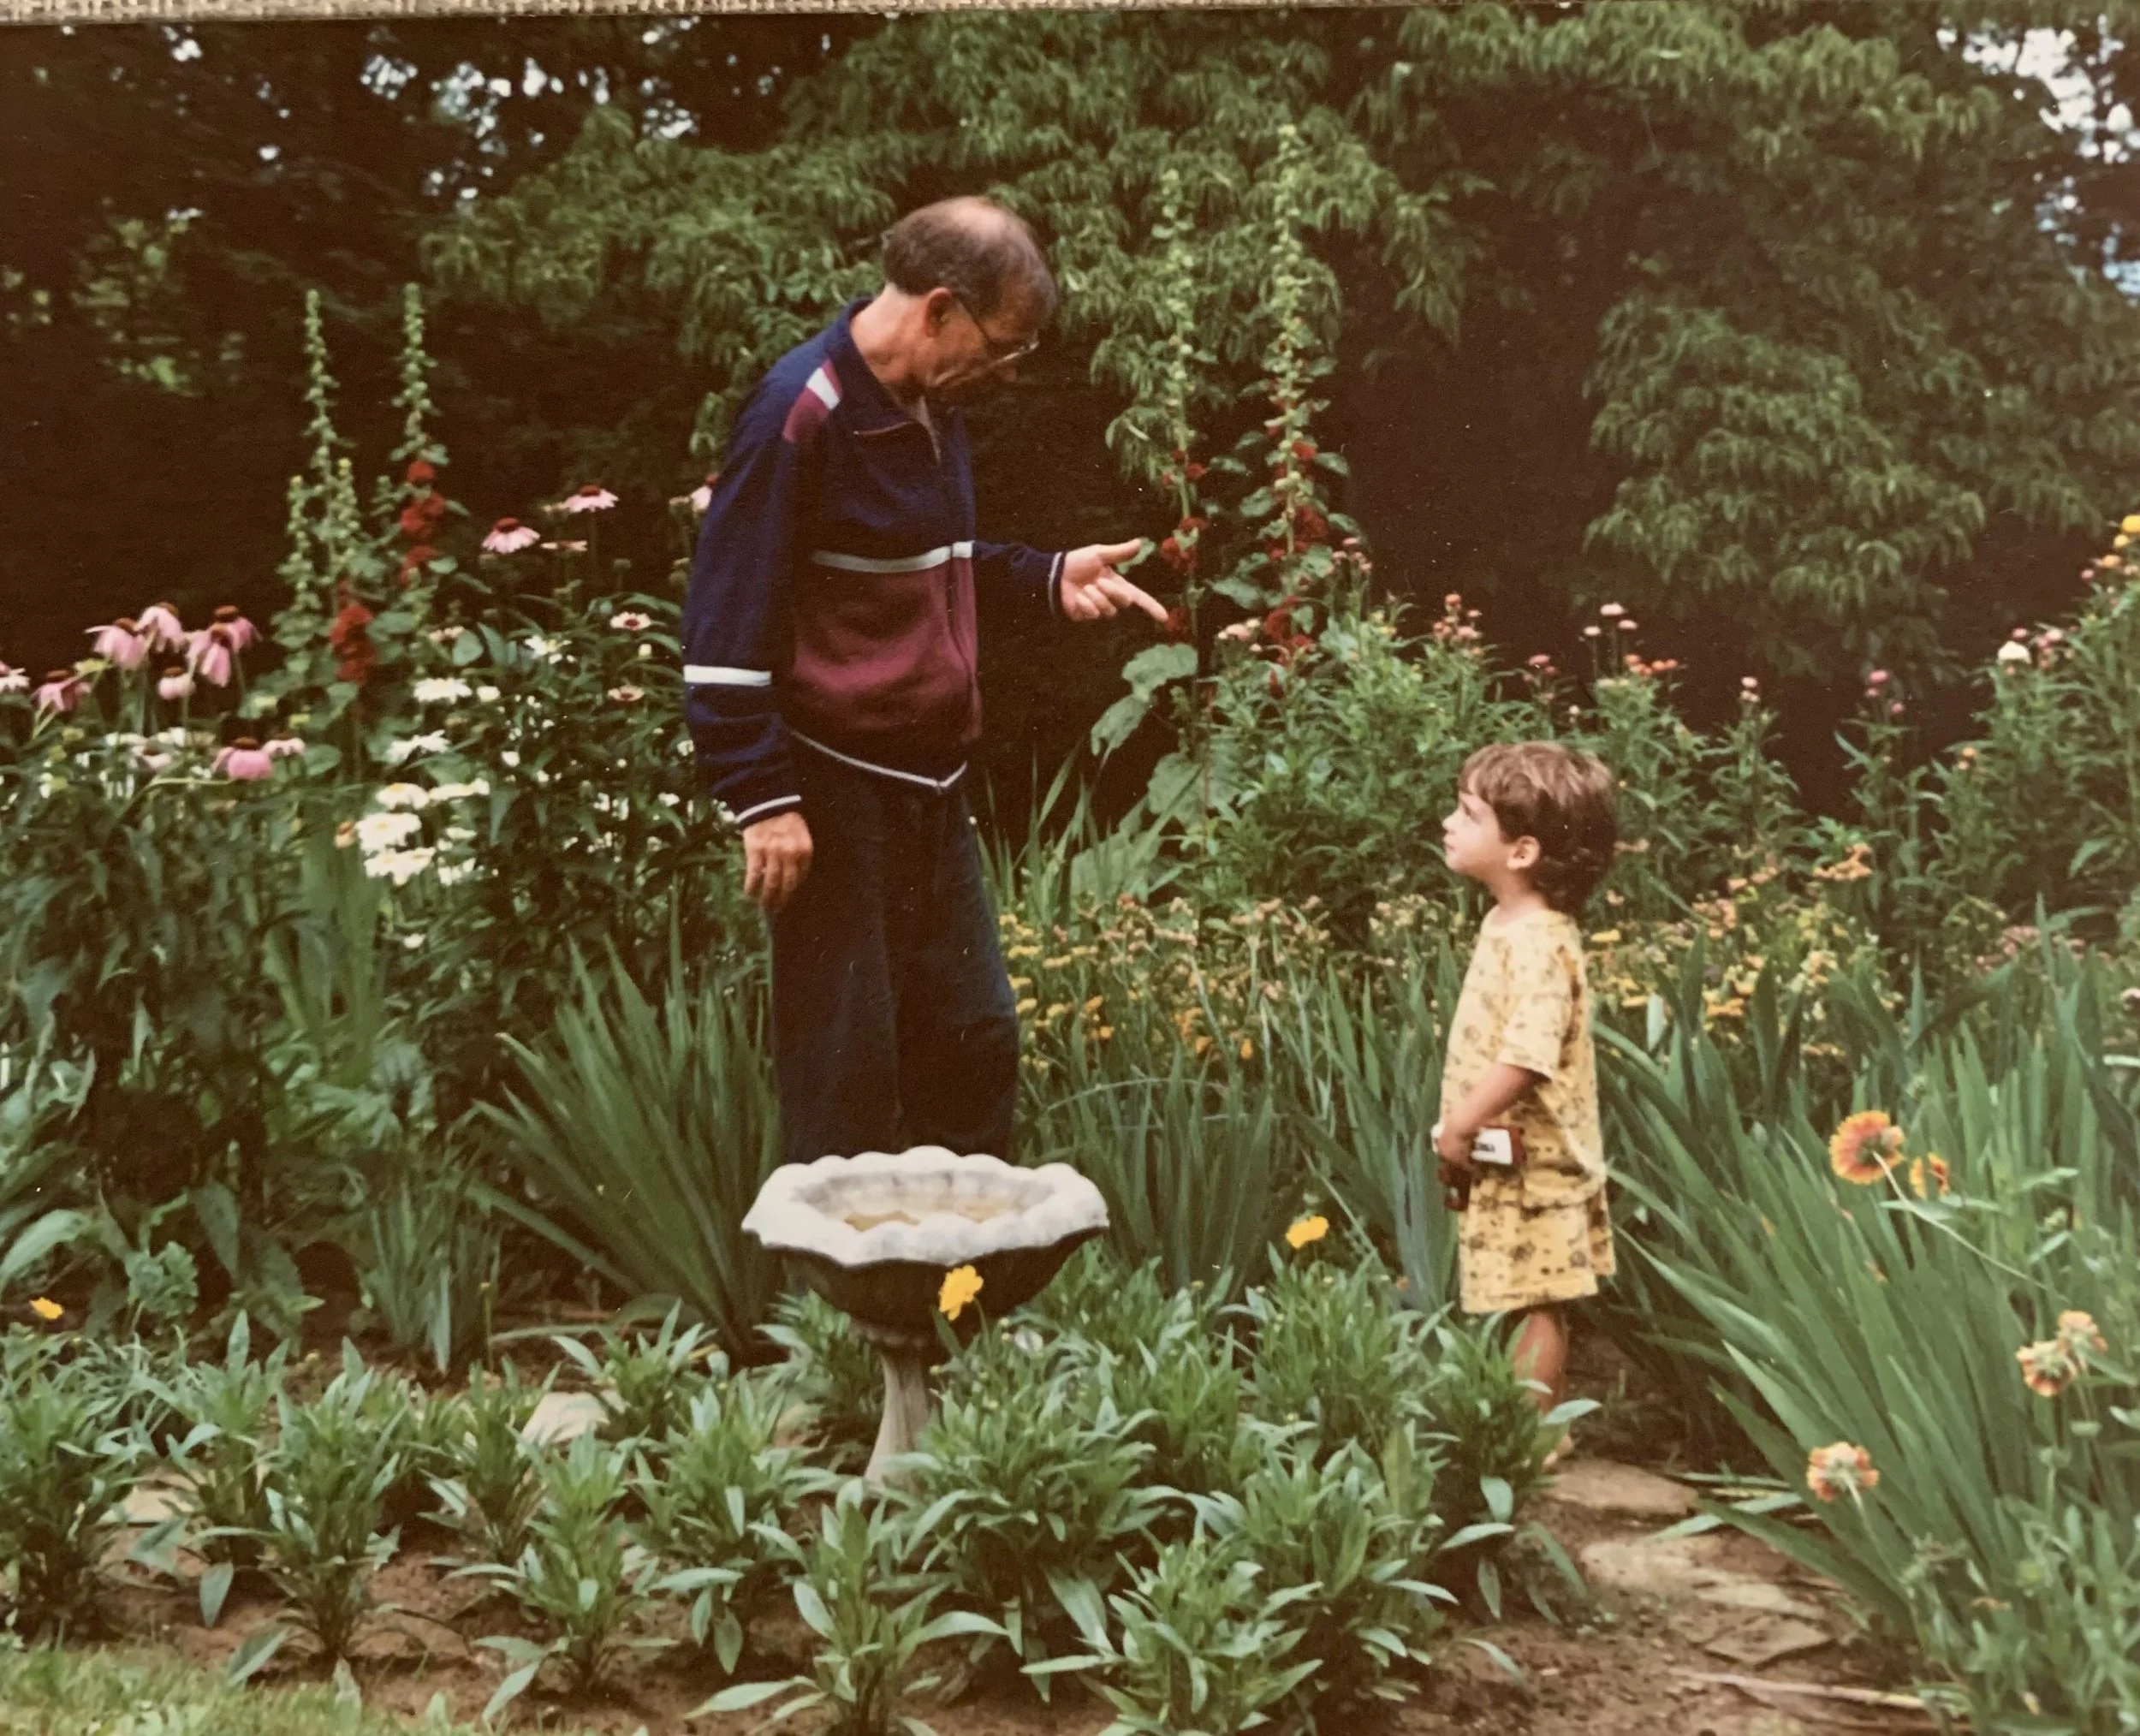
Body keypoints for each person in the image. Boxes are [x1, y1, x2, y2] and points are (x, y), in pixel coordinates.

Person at [681, 196, 1167, 1168]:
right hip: (829, 785)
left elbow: (931, 557)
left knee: (974, 1038)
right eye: (1003, 346)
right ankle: (843, 1313)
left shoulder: (933, 408)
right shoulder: (799, 412)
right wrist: (763, 798)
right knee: (848, 1065)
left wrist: (1043, 572)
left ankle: (964, 1298)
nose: (1008, 372)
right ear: (941, 308)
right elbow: (724, 620)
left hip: (930, 784)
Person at [1434, 741, 1619, 1461]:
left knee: (1536, 1296)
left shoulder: (1541, 941)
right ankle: (1526, 1427)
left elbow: (1527, 1055)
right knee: (1518, 1291)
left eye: (1469, 813)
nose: (1449, 822)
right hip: (1505, 1157)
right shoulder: (1506, 925)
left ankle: (1536, 1438)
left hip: (1536, 1166)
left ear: (1522, 852)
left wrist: (1462, 1124)